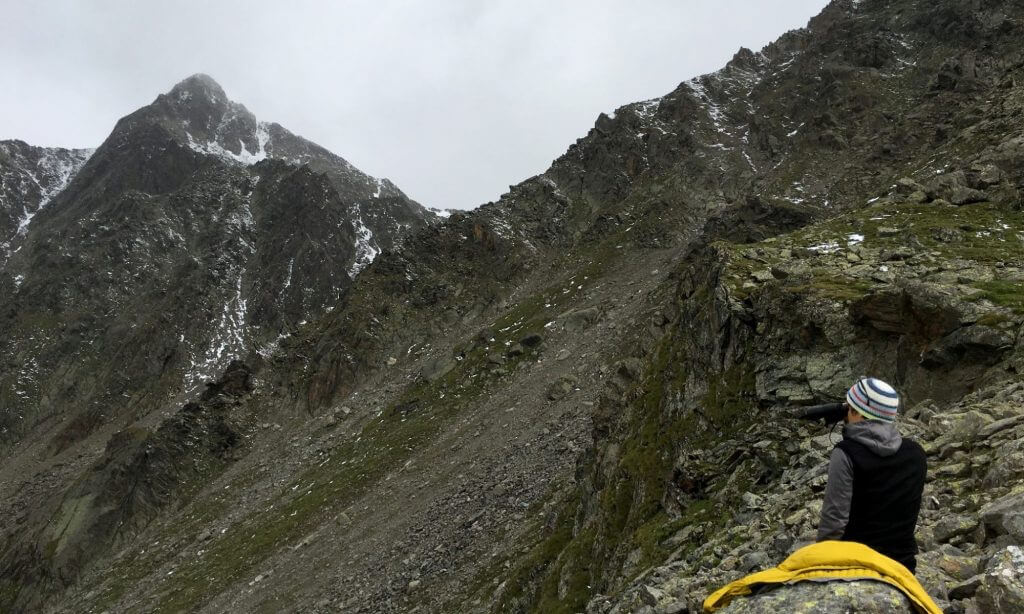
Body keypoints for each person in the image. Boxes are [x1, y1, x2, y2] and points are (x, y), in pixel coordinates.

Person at [816, 377, 927, 572]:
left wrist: (821, 563)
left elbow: (834, 521)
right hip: (902, 565)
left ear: (856, 411)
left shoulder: (846, 453)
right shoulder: (916, 453)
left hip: (857, 564)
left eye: (849, 407)